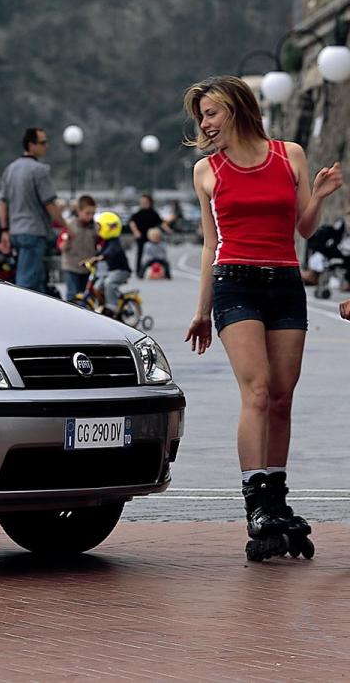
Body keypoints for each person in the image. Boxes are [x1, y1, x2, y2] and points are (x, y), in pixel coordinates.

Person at [182, 75, 343, 556]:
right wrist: (201, 311)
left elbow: (303, 228)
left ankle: (277, 497)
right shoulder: (207, 171)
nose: (204, 124)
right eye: (201, 116)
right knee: (256, 389)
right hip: (236, 283)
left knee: (281, 396)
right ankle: (256, 503)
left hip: (285, 283)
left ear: (235, 108)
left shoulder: (288, 154)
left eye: (210, 113)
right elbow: (211, 243)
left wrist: (318, 194)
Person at [0, 127, 62, 292]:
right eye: (42, 143)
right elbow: (50, 204)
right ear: (31, 145)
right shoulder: (39, 170)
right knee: (26, 281)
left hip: (15, 232)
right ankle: (21, 313)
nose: (46, 146)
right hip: (34, 232)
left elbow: (3, 203)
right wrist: (66, 226)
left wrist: (4, 230)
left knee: (37, 278)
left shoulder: (10, 169)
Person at [61, 194, 98, 301]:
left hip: (87, 267)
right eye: (87, 213)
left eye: (93, 213)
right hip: (71, 266)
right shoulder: (69, 225)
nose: (90, 216)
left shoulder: (95, 228)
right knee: (72, 295)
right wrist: (65, 243)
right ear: (79, 211)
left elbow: (98, 244)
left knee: (86, 296)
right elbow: (61, 245)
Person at [94, 211, 130, 316]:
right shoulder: (106, 241)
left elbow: (111, 251)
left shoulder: (115, 242)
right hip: (112, 271)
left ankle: (112, 306)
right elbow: (101, 252)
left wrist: (102, 257)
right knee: (97, 286)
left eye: (100, 227)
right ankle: (102, 305)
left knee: (108, 283)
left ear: (107, 227)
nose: (98, 230)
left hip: (121, 271)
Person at [128, 193, 172, 278]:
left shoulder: (153, 213)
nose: (143, 203)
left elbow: (161, 223)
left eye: (145, 201)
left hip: (152, 236)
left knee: (155, 252)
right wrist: (136, 232)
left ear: (149, 202)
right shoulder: (138, 213)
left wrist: (168, 230)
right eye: (142, 201)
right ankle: (139, 272)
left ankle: (161, 271)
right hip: (141, 236)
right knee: (140, 254)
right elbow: (132, 223)